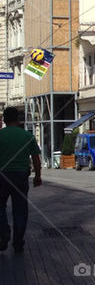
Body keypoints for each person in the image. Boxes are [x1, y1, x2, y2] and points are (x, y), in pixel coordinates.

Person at [0, 106, 42, 255]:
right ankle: (18, 241)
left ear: (4, 119)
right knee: (20, 209)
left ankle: (3, 233)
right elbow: (36, 158)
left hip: (2, 175)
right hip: (20, 176)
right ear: (18, 119)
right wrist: (38, 176)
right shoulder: (27, 136)